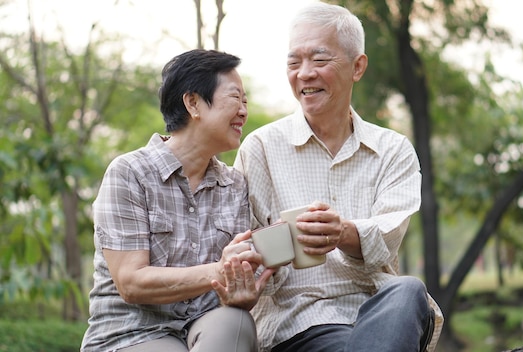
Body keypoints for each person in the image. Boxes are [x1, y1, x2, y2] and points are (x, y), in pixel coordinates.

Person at [234, 3, 443, 352]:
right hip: (299, 321)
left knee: (407, 289)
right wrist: (267, 253)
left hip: (382, 309)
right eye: (293, 62)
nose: (304, 74)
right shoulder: (261, 148)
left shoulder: (392, 150)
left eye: (319, 60)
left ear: (357, 66)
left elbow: (386, 241)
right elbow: (247, 255)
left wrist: (342, 233)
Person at [80, 49, 274, 352]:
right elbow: (131, 283)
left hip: (202, 330)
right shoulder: (129, 173)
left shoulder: (234, 185)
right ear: (193, 102)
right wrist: (218, 271)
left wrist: (241, 291)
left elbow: (230, 295)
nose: (243, 112)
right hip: (130, 335)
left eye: (245, 102)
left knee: (236, 322)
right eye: (235, 98)